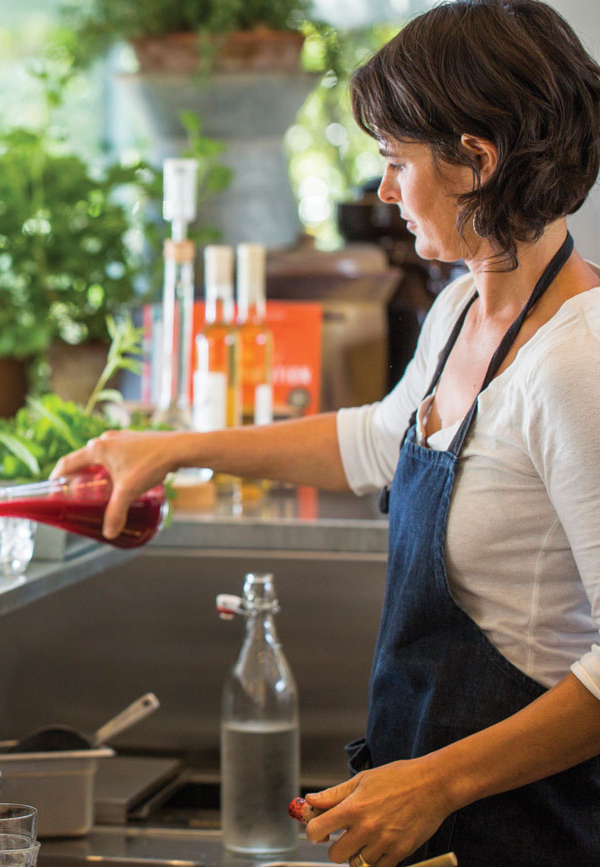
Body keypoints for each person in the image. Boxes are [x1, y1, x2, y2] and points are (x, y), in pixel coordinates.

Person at [54, 2, 600, 864]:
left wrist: (436, 781)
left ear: (476, 162)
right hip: (433, 819)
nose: (383, 189)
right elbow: (377, 441)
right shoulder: (462, 309)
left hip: (527, 826)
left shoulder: (580, 361)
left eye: (395, 160)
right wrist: (171, 447)